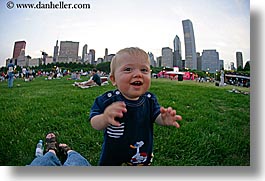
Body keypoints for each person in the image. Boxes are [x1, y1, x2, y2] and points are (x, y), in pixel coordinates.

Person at [89, 47, 182, 166]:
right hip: (112, 153)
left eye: (144, 70)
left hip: (140, 152)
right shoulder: (107, 99)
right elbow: (94, 123)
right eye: (128, 69)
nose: (138, 74)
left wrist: (163, 119)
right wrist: (105, 118)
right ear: (113, 79)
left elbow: (155, 116)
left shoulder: (150, 100)